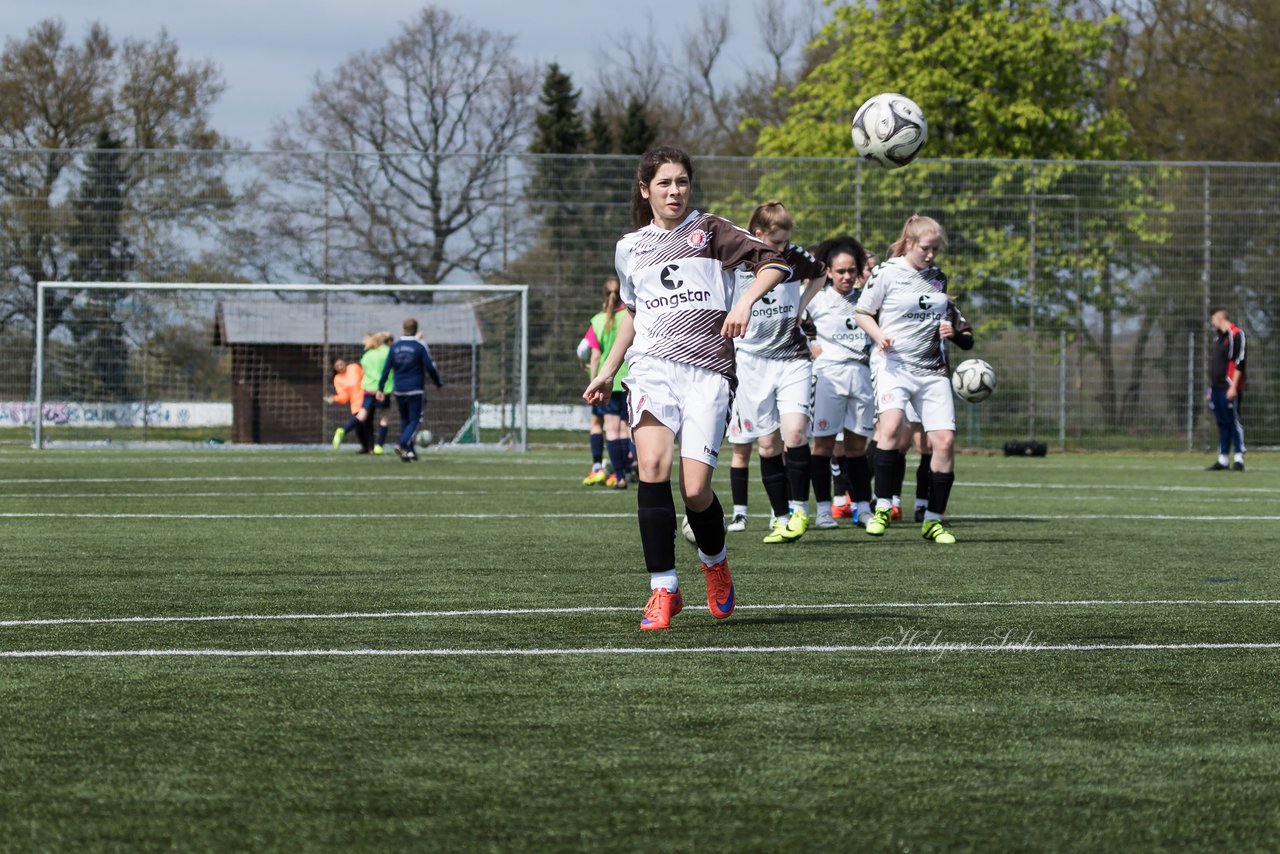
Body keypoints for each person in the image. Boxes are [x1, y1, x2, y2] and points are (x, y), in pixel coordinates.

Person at [584, 145, 791, 631]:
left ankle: (715, 561)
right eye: (664, 183)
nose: (674, 191)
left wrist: (744, 302)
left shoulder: (710, 231)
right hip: (652, 369)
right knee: (652, 467)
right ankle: (664, 588)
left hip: (708, 369)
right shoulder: (629, 248)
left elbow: (775, 263)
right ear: (645, 190)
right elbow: (634, 318)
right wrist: (608, 369)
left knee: (695, 490)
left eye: (681, 182)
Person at [855, 214, 973, 544]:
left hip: (933, 370)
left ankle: (933, 520)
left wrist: (950, 330)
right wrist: (879, 336)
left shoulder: (938, 278)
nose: (932, 255)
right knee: (891, 428)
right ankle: (881, 508)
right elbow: (862, 312)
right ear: (909, 243)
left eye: (936, 249)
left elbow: (947, 319)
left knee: (945, 442)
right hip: (894, 365)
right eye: (926, 248)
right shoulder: (887, 272)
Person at [723, 201, 825, 542]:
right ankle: (781, 517)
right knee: (767, 445)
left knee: (794, 434)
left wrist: (801, 306)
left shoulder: (796, 257)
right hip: (752, 363)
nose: (783, 250)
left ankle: (799, 511)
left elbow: (821, 272)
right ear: (759, 234)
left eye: (786, 243)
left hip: (792, 357)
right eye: (777, 243)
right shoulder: (739, 260)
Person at [805, 236, 874, 529]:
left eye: (851, 270)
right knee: (822, 446)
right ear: (829, 271)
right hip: (828, 377)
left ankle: (863, 508)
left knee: (857, 448)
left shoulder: (868, 301)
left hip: (861, 376)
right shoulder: (817, 299)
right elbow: (791, 324)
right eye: (840, 271)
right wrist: (809, 347)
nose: (847, 276)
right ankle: (823, 510)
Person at [585, 277, 634, 489]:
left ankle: (620, 476)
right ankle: (631, 468)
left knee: (611, 430)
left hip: (609, 381)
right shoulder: (631, 314)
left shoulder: (597, 320)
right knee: (627, 429)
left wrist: (594, 378)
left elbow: (595, 356)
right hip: (630, 378)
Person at [378, 318, 444, 462]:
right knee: (415, 420)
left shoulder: (394, 347)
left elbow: (386, 368)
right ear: (415, 329)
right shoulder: (419, 346)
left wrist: (380, 388)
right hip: (415, 389)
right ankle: (403, 444)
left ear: (403, 329)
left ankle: (409, 452)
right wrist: (438, 383)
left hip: (399, 389)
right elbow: (430, 366)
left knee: (405, 420)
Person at [1206, 307, 1247, 471]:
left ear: (1220, 317)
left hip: (1229, 387)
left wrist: (1233, 386)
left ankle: (1238, 457)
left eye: (1213, 318)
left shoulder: (1236, 334)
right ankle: (1223, 458)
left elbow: (1239, 362)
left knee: (1233, 421)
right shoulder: (1218, 337)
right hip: (1216, 387)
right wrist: (1210, 389)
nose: (1212, 322)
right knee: (1221, 422)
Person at [358, 332, 394, 455]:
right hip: (382, 389)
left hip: (368, 389)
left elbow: (363, 367)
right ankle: (379, 446)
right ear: (388, 341)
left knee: (366, 418)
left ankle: (370, 447)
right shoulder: (389, 352)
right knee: (383, 417)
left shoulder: (368, 354)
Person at [327, 357, 371, 452]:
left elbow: (365, 376)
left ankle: (344, 430)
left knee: (366, 424)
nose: (340, 367)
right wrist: (334, 398)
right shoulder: (337, 379)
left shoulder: (354, 367)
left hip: (365, 398)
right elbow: (343, 396)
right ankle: (366, 448)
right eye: (337, 366)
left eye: (341, 364)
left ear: (345, 362)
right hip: (355, 404)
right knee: (359, 427)